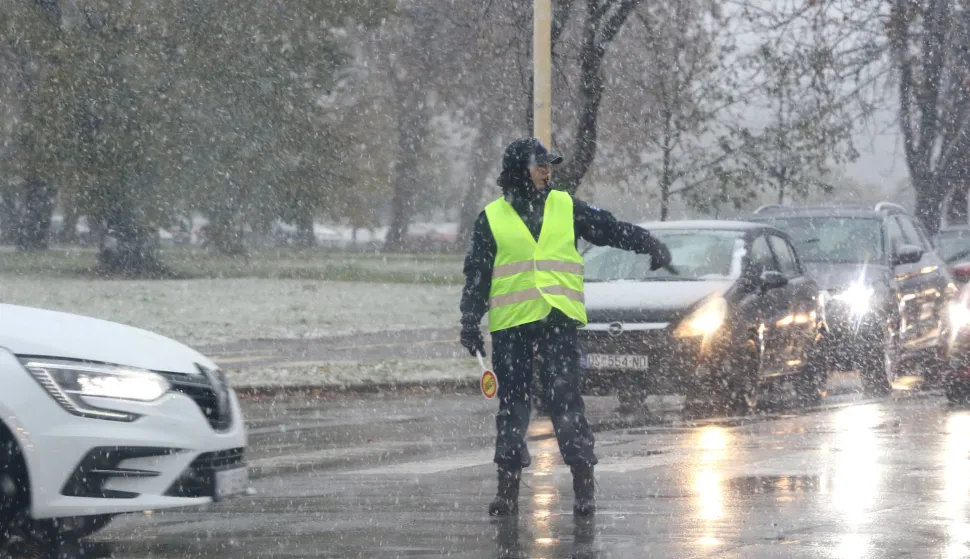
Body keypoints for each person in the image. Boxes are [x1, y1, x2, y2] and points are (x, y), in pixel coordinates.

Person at [459, 137, 672, 517]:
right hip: (512, 326)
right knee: (513, 408)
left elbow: (608, 229)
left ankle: (584, 489)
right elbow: (477, 274)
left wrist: (648, 243)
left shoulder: (565, 206)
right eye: (539, 165)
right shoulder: (491, 218)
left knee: (566, 402)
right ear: (519, 171)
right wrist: (469, 320)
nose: (547, 171)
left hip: (557, 320)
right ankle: (507, 490)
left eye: (548, 165)